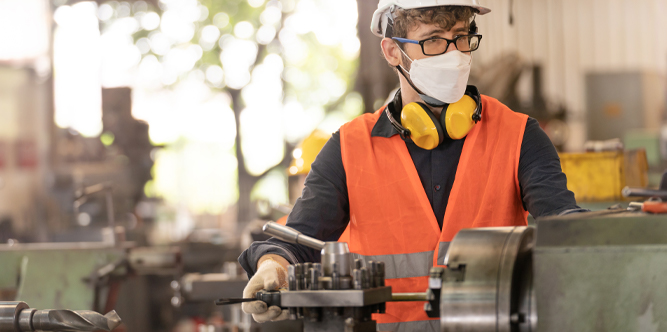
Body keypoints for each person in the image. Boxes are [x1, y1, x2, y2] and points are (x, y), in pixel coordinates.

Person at [239, 0, 585, 330]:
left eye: (462, 37)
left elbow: (564, 226)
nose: (454, 54)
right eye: (433, 40)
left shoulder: (519, 135)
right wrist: (274, 266)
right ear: (392, 51)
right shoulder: (349, 148)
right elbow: (298, 239)